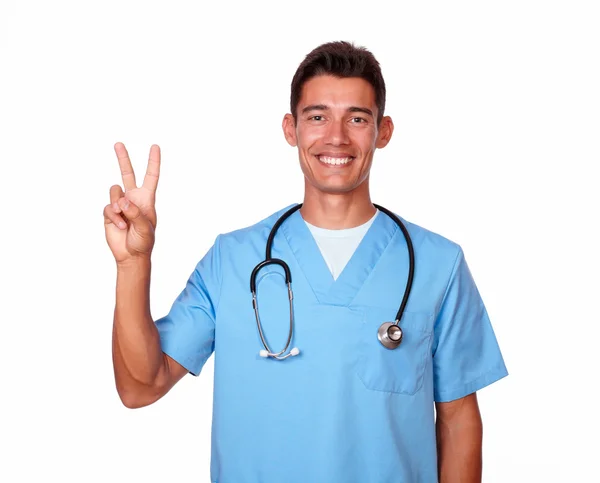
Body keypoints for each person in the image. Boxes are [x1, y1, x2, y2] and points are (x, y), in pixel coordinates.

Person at [104, 41, 508, 483]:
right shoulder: (233, 260)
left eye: (357, 118)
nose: (336, 136)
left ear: (384, 131)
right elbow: (140, 387)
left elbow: (458, 421)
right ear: (290, 129)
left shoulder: (437, 265)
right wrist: (133, 264)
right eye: (317, 117)